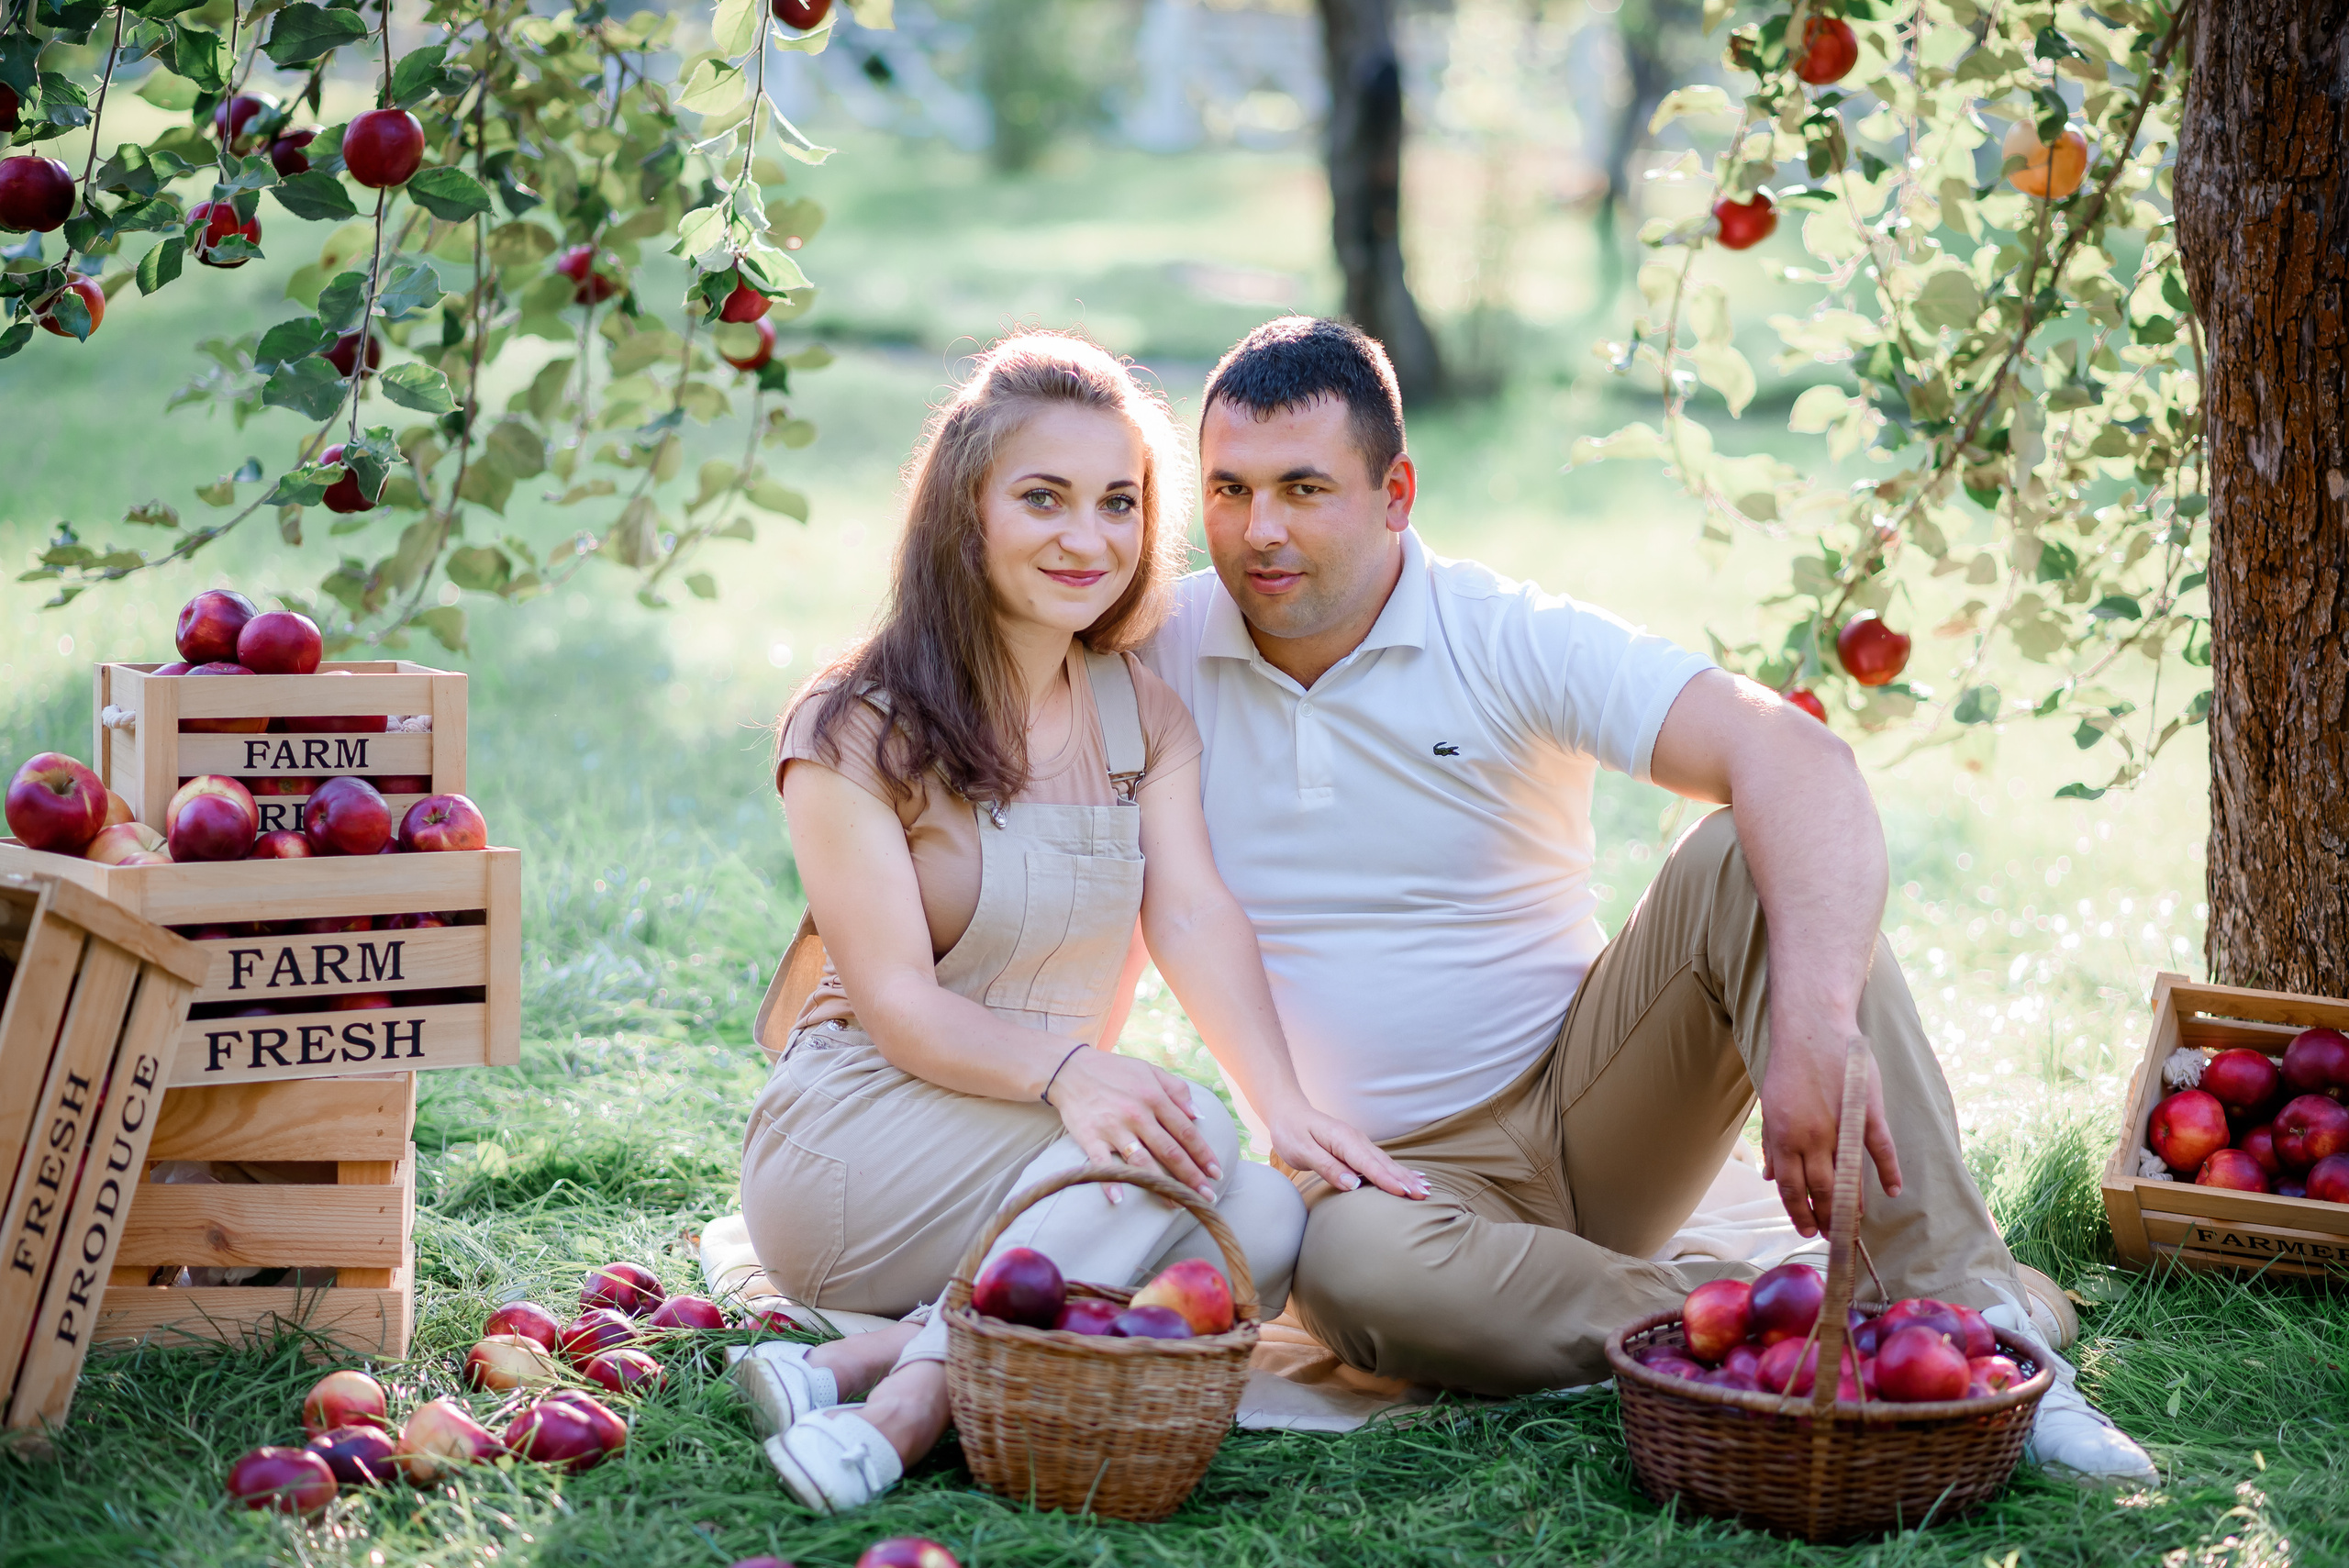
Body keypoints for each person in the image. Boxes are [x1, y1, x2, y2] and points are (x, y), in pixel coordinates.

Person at [1139, 315, 2157, 1485]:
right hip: (1385, 1181)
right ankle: (1815, 1316)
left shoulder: (1498, 633)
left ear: (1395, 493)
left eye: (1303, 487)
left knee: (1744, 853)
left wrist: (1811, 1026)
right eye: (1228, 488)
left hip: (1591, 1107)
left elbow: (1796, 758)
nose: (1258, 530)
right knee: (1352, 1274)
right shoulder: (1158, 650)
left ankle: (1983, 1324)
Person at [732, 330, 1414, 1512]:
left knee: (1256, 1208)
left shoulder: (1139, 710)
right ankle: (904, 1414)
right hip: (857, 1146)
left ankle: (863, 1362)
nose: (1088, 539)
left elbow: (1192, 911)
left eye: (1118, 503)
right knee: (1173, 1129)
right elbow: (893, 1003)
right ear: (966, 510)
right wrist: (1073, 1073)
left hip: (1045, 1140)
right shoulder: (853, 725)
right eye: (1043, 498)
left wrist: (1290, 1107)